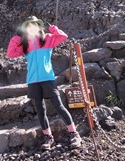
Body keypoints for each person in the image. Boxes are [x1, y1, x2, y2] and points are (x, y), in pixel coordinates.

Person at [7, 16, 82, 150]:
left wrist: (52, 28)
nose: (31, 28)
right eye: (28, 26)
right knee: (40, 110)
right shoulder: (25, 44)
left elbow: (63, 36)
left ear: (39, 26)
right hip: (33, 80)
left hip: (47, 78)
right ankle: (48, 137)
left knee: (59, 106)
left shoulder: (47, 38)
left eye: (34, 25)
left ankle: (74, 133)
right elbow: (11, 53)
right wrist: (17, 38)